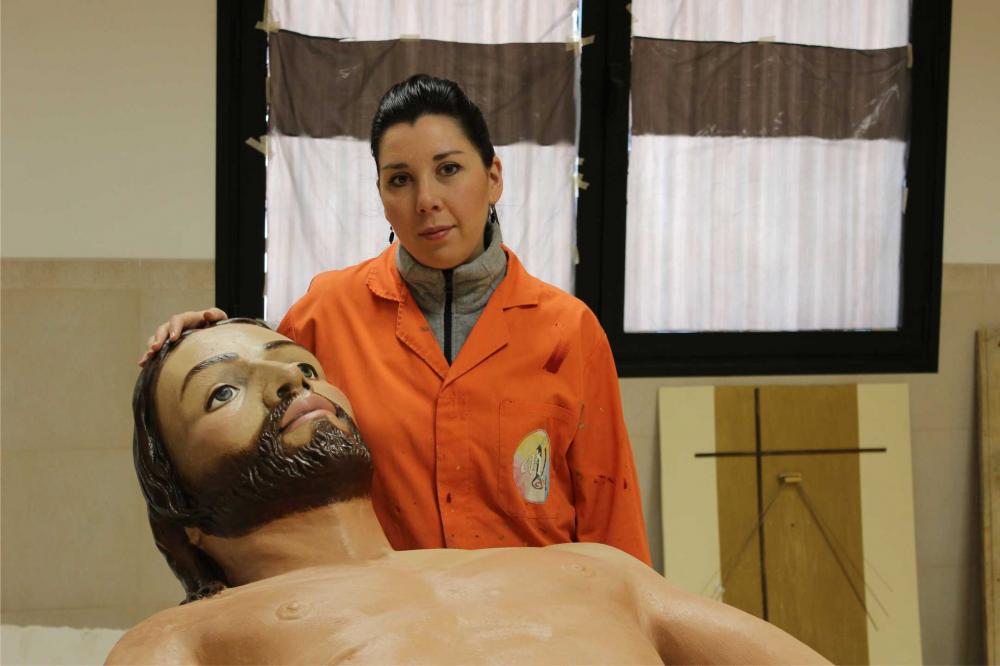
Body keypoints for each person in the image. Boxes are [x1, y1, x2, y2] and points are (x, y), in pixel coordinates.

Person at [141, 74, 651, 565]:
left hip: (536, 632)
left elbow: (611, 519)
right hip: (386, 630)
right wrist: (203, 342)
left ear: (493, 178)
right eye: (400, 180)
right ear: (382, 196)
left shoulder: (568, 329)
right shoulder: (327, 312)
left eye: (449, 169)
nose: (426, 200)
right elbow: (256, 444)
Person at [112, 320, 828, 665]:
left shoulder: (593, 569)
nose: (289, 379)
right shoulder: (185, 640)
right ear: (186, 519)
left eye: (299, 361)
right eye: (221, 393)